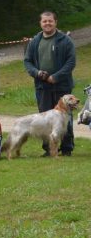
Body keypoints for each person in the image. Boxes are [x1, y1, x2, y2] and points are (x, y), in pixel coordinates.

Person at [23, 11, 77, 155]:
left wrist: (56, 77)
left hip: (62, 86)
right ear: (40, 23)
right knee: (46, 120)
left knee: (65, 119)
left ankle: (66, 149)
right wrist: (37, 73)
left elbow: (71, 62)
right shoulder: (34, 41)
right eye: (44, 21)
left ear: (55, 22)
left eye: (50, 21)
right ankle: (49, 150)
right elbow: (27, 61)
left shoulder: (65, 40)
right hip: (42, 86)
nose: (47, 23)